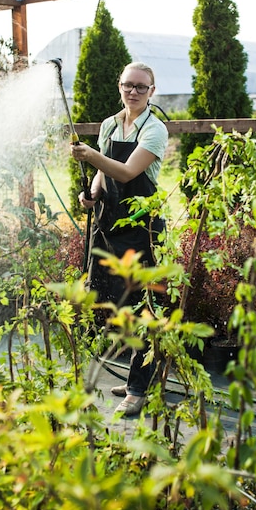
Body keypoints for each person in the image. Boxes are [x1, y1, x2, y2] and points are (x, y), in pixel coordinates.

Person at [70, 61, 168, 416]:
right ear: (119, 86)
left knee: (142, 305)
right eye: (128, 85)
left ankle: (139, 390)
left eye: (141, 87)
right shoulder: (109, 124)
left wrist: (92, 154)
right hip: (109, 223)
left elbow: (127, 171)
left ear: (151, 91)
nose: (134, 92)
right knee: (114, 302)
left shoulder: (154, 130)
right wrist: (92, 195)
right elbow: (102, 171)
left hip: (141, 229)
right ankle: (134, 379)